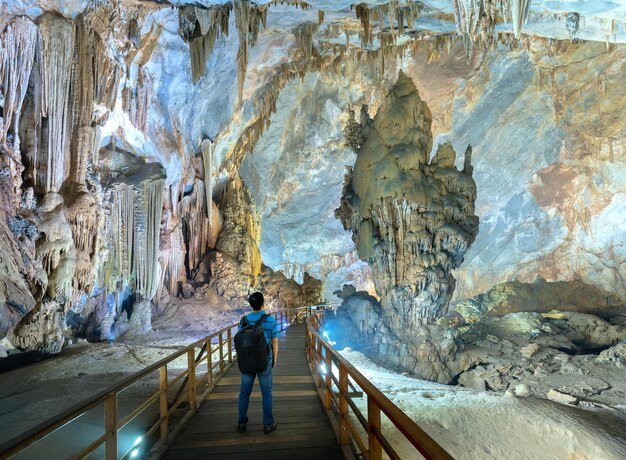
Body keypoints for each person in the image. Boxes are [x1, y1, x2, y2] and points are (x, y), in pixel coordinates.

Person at [237, 292, 279, 434]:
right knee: (267, 393)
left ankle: (241, 422)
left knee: (244, 393)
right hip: (264, 362)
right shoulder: (270, 320)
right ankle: (268, 423)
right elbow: (274, 341)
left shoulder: (243, 321)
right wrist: (274, 359)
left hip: (247, 362)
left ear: (250, 305)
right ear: (263, 303)